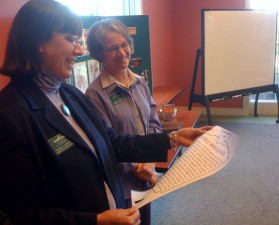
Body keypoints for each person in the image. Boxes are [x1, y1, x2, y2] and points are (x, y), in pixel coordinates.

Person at [0, 1, 211, 225]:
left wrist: (173, 138)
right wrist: (96, 221)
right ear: (38, 41)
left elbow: (113, 143)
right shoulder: (10, 115)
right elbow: (20, 215)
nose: (80, 50)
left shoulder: (70, 94)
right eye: (71, 40)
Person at [85, 18, 160, 225]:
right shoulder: (95, 94)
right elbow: (107, 145)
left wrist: (150, 162)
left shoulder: (140, 82)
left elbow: (153, 123)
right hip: (122, 184)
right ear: (100, 54)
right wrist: (141, 168)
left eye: (125, 44)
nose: (122, 52)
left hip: (146, 176)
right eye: (113, 48)